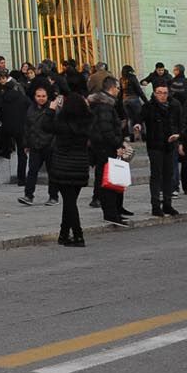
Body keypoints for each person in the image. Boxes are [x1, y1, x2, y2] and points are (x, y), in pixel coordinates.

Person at [50, 90, 92, 247]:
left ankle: (78, 235)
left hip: (63, 165)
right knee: (70, 201)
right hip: (80, 165)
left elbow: (46, 126)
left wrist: (51, 109)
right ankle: (63, 234)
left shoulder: (62, 123)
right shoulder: (87, 122)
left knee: (69, 202)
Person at [88, 77, 130, 227]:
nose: (119, 91)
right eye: (117, 88)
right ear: (112, 88)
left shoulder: (104, 104)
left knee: (111, 181)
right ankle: (111, 214)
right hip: (106, 148)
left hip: (104, 147)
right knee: (109, 182)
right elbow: (106, 130)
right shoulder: (105, 106)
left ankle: (115, 211)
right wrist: (118, 143)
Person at [140, 81, 183, 216]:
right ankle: (155, 205)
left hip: (170, 145)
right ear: (154, 93)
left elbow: (180, 123)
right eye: (159, 93)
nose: (162, 96)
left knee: (168, 175)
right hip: (155, 145)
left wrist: (178, 136)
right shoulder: (148, 106)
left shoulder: (175, 105)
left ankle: (167, 204)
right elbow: (139, 118)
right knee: (156, 175)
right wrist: (137, 126)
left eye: (165, 93)